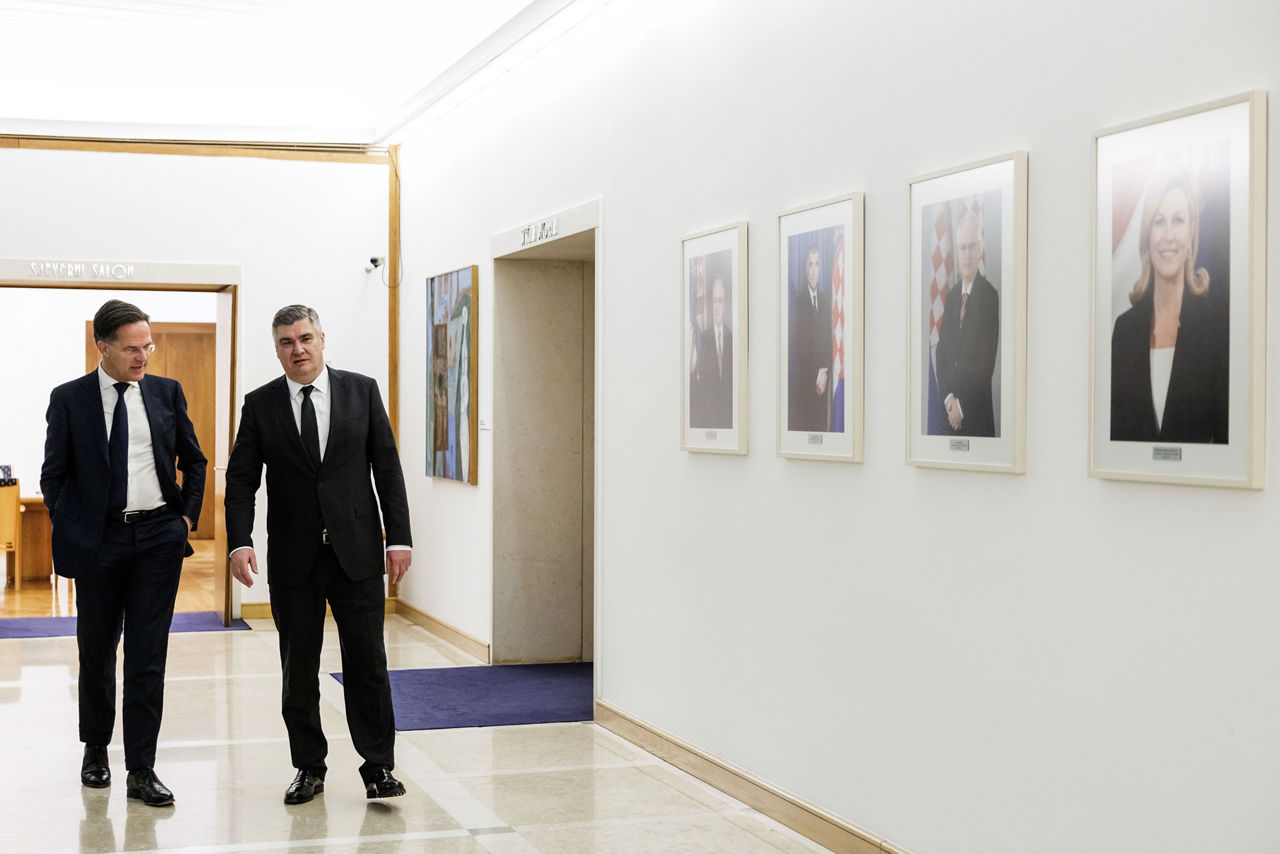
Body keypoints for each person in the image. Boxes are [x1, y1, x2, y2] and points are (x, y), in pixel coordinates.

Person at [225, 304, 413, 805]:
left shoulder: (361, 391)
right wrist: (240, 540)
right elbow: (241, 479)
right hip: (294, 558)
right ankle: (309, 767)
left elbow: (387, 469)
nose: (297, 349)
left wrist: (399, 537)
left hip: (357, 554)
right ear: (277, 349)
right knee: (299, 668)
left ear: (323, 339)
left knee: (368, 663)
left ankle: (378, 768)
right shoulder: (261, 404)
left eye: (305, 338)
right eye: (286, 342)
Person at [41, 299, 206, 807]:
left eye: (148, 346)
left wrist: (184, 521)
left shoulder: (165, 392)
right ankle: (95, 749)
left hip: (158, 537)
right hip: (100, 541)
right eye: (132, 348)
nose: (142, 357)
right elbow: (54, 475)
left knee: (146, 655)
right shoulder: (69, 399)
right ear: (103, 346)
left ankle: (142, 767)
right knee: (96, 650)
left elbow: (194, 461)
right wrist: (76, 526)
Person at [1111, 165, 1227, 443]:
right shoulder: (1124, 330)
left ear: (1191, 235)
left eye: (1178, 220)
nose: (1168, 236)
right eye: (1159, 221)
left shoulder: (1216, 329)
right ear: (1147, 237)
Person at [934, 211, 1000, 437]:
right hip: (949, 418)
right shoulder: (952, 297)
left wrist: (961, 408)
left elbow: (985, 365)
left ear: (980, 248)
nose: (967, 255)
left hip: (976, 419)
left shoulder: (990, 297)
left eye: (972, 246)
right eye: (962, 248)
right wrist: (949, 399)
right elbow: (941, 354)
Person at [788, 244, 832, 431]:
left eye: (817, 264)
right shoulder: (799, 302)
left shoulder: (826, 300)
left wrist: (824, 372)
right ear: (805, 268)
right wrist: (816, 373)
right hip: (807, 382)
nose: (813, 271)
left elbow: (830, 341)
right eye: (810, 265)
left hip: (824, 379)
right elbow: (800, 347)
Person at [692, 277, 733, 428]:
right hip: (710, 419)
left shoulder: (732, 338)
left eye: (720, 301)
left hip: (729, 420)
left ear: (726, 304)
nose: (717, 307)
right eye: (714, 301)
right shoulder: (705, 338)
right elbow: (702, 387)